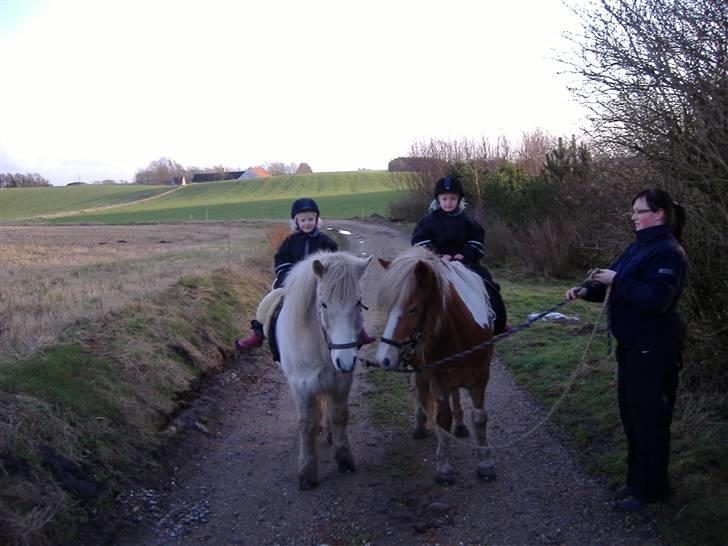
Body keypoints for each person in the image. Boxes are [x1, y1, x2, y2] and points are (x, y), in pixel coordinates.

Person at [565, 188, 687, 512]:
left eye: (639, 211)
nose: (633, 216)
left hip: (655, 347)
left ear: (658, 213)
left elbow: (656, 298)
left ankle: (651, 491)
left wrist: (616, 279)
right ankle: (636, 482)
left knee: (650, 420)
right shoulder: (639, 246)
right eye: (633, 211)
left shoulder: (668, 252)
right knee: (632, 417)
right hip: (632, 347)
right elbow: (611, 279)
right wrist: (585, 289)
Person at [236, 197, 376, 348]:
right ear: (296, 222)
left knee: (348, 302)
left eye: (310, 219)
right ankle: (258, 333)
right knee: (269, 301)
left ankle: (360, 330)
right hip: (295, 284)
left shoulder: (327, 242)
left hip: (322, 285)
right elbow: (281, 259)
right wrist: (286, 275)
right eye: (303, 220)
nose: (307, 223)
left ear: (317, 220)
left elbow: (335, 265)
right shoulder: (290, 242)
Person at [411, 175, 508, 334]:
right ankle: (414, 326)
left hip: (465, 262)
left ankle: (498, 321)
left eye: (452, 198)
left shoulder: (467, 220)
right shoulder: (428, 221)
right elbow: (420, 241)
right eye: (444, 198)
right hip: (436, 263)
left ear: (459, 200)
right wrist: (437, 255)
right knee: (416, 288)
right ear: (438, 200)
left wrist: (464, 254)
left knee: (488, 284)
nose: (448, 202)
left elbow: (476, 239)